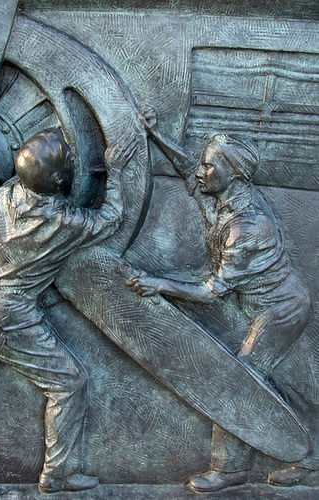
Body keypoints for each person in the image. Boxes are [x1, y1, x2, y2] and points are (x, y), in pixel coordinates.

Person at [0, 128, 138, 494]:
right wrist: (118, 172)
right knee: (69, 385)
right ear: (61, 180)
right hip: (8, 315)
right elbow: (112, 217)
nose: (73, 157)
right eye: (68, 157)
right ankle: (59, 473)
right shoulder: (64, 224)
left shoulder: (2, 198)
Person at [126, 105, 311, 493]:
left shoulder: (247, 227)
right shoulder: (222, 197)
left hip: (280, 310)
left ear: (234, 172)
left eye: (209, 166)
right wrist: (155, 134)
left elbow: (210, 292)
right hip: (258, 305)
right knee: (279, 382)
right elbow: (187, 170)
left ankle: (230, 470)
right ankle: (310, 460)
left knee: (237, 380)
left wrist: (158, 284)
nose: (200, 172)